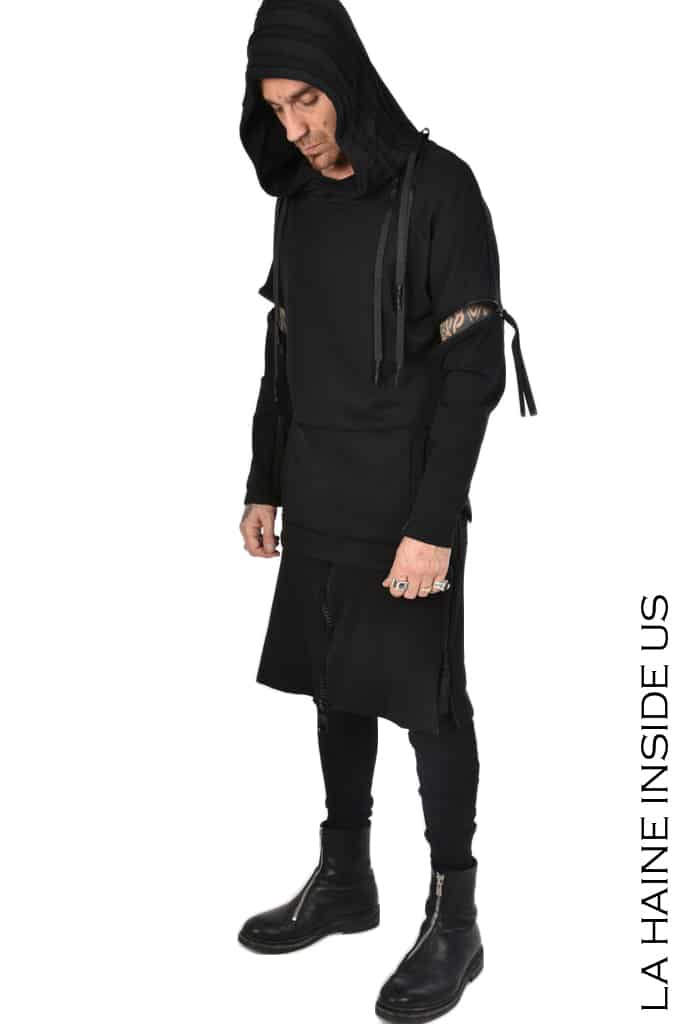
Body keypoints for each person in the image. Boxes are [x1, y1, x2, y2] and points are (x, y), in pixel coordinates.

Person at [235, 1, 537, 1020]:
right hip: (318, 483)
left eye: (306, 100)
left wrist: (433, 523)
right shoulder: (295, 199)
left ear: (347, 83)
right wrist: (262, 479)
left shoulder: (439, 186)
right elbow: (282, 349)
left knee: (428, 700)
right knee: (335, 683)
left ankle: (456, 918)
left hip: (406, 498)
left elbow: (472, 370)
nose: (294, 127)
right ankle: (345, 878)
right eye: (275, 109)